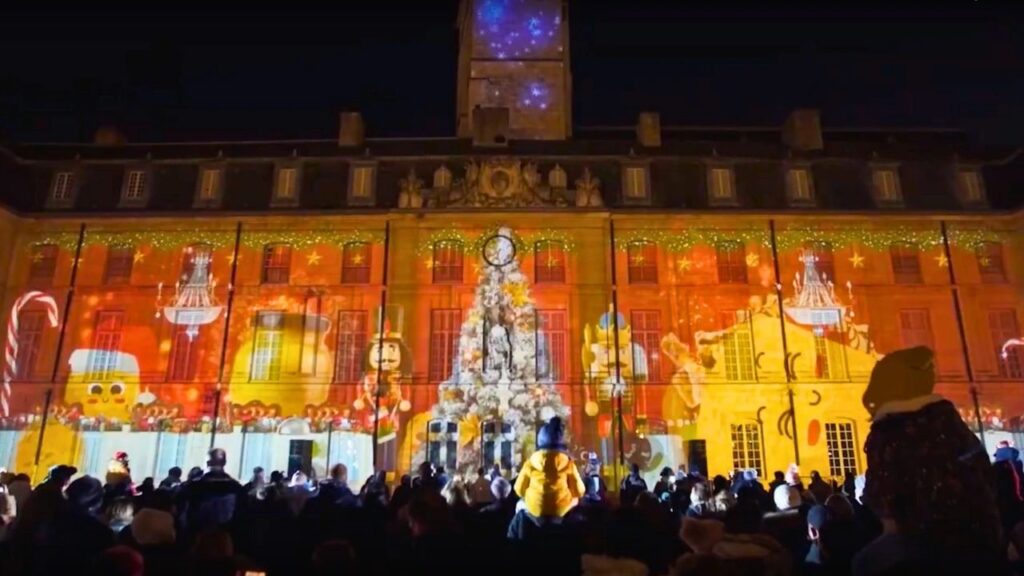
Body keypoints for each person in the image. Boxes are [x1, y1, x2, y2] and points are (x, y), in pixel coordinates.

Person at [853, 346, 1005, 576]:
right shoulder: (952, 425)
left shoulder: (889, 433)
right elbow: (984, 479)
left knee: (865, 563)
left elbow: (887, 506)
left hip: (923, 550)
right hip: (981, 543)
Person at [508, 416, 585, 538]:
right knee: (576, 502)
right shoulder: (569, 464)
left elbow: (518, 489)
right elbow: (580, 491)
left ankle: (516, 542)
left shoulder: (530, 463)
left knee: (520, 507)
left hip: (535, 511)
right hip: (560, 511)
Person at [177, 448, 245, 536]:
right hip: (227, 537)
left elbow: (181, 511)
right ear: (224, 462)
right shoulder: (236, 487)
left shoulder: (192, 486)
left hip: (197, 536)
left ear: (207, 463)